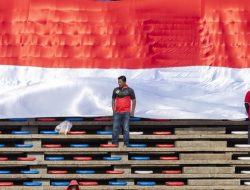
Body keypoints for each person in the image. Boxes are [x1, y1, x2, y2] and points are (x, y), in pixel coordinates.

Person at [112, 76, 136, 147]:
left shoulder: (130, 90)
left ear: (124, 82)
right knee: (115, 128)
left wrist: (132, 111)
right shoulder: (115, 90)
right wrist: (114, 110)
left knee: (126, 129)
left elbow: (134, 100)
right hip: (117, 112)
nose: (118, 83)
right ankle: (114, 143)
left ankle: (126, 144)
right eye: (118, 82)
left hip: (126, 112)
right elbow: (113, 100)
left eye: (120, 82)